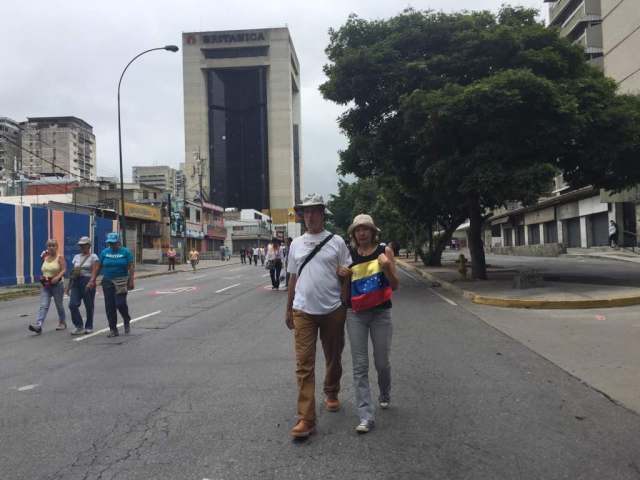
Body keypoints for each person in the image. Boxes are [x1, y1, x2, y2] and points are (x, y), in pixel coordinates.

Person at [285, 193, 352, 439]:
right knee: (304, 364)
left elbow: (347, 272)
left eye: (315, 211)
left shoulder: (337, 242)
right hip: (303, 311)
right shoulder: (296, 244)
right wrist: (289, 307)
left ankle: (331, 391)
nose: (310, 215)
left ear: (323, 213)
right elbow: (293, 277)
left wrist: (344, 303)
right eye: (306, 212)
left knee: (333, 356)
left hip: (333, 309)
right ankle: (307, 418)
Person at [340, 214, 399, 434]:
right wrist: (343, 277)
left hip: (381, 313)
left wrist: (387, 268)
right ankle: (366, 415)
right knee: (359, 366)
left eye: (366, 229)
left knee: (382, 362)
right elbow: (344, 295)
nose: (362, 233)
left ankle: (385, 392)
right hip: (356, 314)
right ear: (353, 233)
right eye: (358, 229)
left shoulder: (385, 251)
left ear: (373, 232)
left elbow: (395, 285)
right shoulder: (349, 255)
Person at [92, 232, 134, 337]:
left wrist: (131, 280)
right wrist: (93, 279)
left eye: (113, 243)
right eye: (110, 243)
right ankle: (113, 329)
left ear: (118, 242)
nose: (111, 245)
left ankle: (126, 318)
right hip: (107, 281)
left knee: (120, 303)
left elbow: (131, 267)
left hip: (121, 281)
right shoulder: (105, 252)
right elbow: (99, 266)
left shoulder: (125, 252)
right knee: (109, 306)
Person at [29, 239, 67, 334]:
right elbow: (44, 269)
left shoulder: (60, 257)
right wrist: (42, 276)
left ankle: (62, 322)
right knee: (43, 305)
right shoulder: (45, 257)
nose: (51, 247)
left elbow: (64, 270)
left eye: (53, 245)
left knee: (59, 305)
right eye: (49, 246)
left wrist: (57, 277)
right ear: (47, 247)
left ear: (57, 247)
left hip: (57, 285)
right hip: (45, 285)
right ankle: (38, 325)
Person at [67, 236, 99, 335]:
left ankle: (89, 326)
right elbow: (73, 272)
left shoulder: (94, 257)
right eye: (81, 245)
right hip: (76, 282)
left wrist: (92, 281)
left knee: (89, 306)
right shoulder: (76, 257)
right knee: (72, 305)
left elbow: (95, 271)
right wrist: (68, 287)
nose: (82, 247)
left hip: (87, 281)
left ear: (89, 245)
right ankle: (79, 325)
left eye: (84, 245)